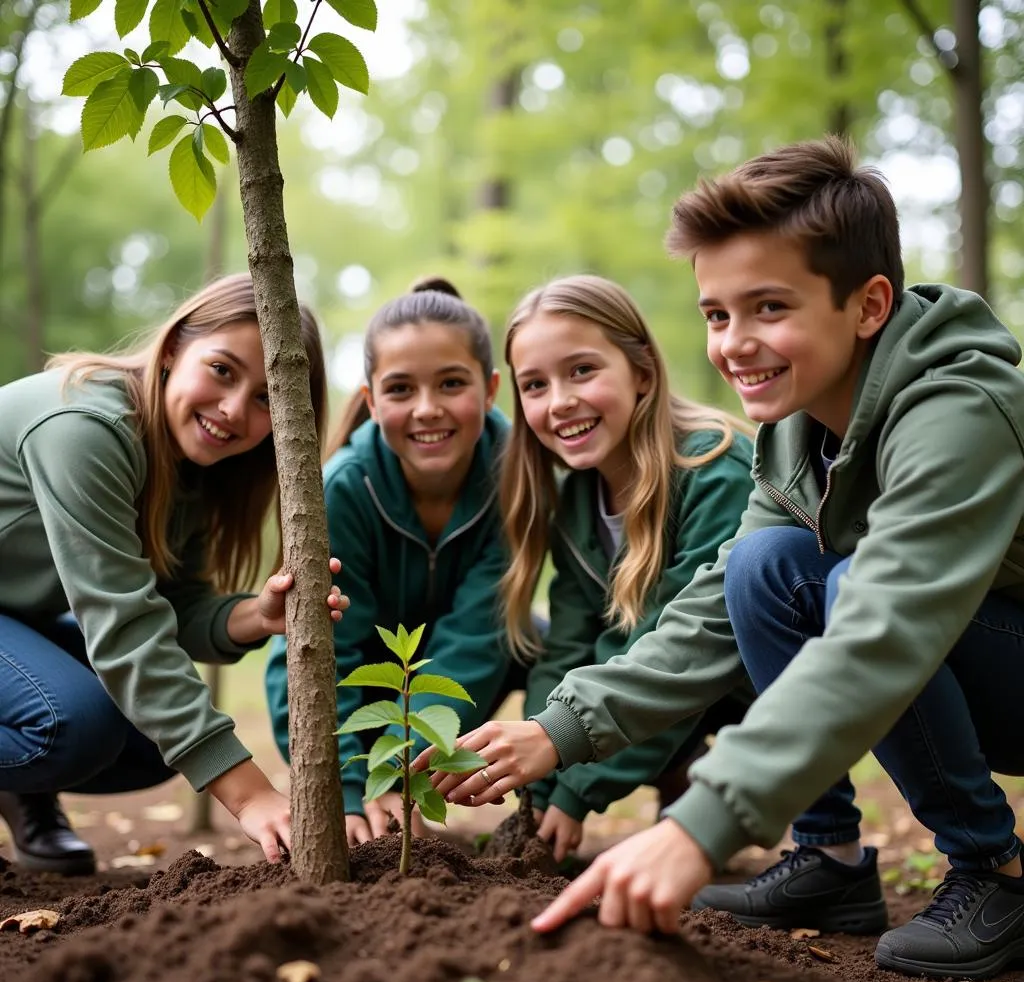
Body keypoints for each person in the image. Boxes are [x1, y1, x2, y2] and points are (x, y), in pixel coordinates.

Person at [419, 137, 1024, 980]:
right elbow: (709, 612)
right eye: (716, 314)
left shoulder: (957, 409)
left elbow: (889, 619)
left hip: (982, 652)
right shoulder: (794, 429)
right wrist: (558, 728)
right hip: (955, 646)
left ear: (868, 304)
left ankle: (996, 870)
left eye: (768, 308)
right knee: (762, 569)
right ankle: (830, 861)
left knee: (850, 585)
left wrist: (702, 824)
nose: (735, 343)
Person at [0, 273, 346, 875]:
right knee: (68, 723)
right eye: (222, 369)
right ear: (173, 349)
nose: (235, 409)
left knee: (149, 740)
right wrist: (250, 794)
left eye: (266, 397)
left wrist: (255, 616)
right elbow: (126, 629)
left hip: (13, 615)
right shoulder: (86, 429)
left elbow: (172, 602)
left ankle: (17, 788)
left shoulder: (186, 465)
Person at [498, 274, 754, 862]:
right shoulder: (576, 503)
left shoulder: (713, 468)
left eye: (582, 370)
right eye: (534, 384)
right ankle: (685, 786)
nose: (559, 400)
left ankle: (725, 802)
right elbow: (568, 646)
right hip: (670, 684)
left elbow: (681, 655)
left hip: (742, 684)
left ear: (642, 371)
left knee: (656, 650)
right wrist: (539, 792)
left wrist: (578, 792)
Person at [264, 277, 513, 847]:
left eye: (452, 383)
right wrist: (352, 788)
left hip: (456, 691)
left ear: (491, 388)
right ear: (372, 399)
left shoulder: (515, 480)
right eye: (401, 389)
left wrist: (414, 775)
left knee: (537, 634)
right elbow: (310, 653)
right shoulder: (342, 490)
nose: (428, 409)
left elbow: (477, 637)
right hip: (363, 699)